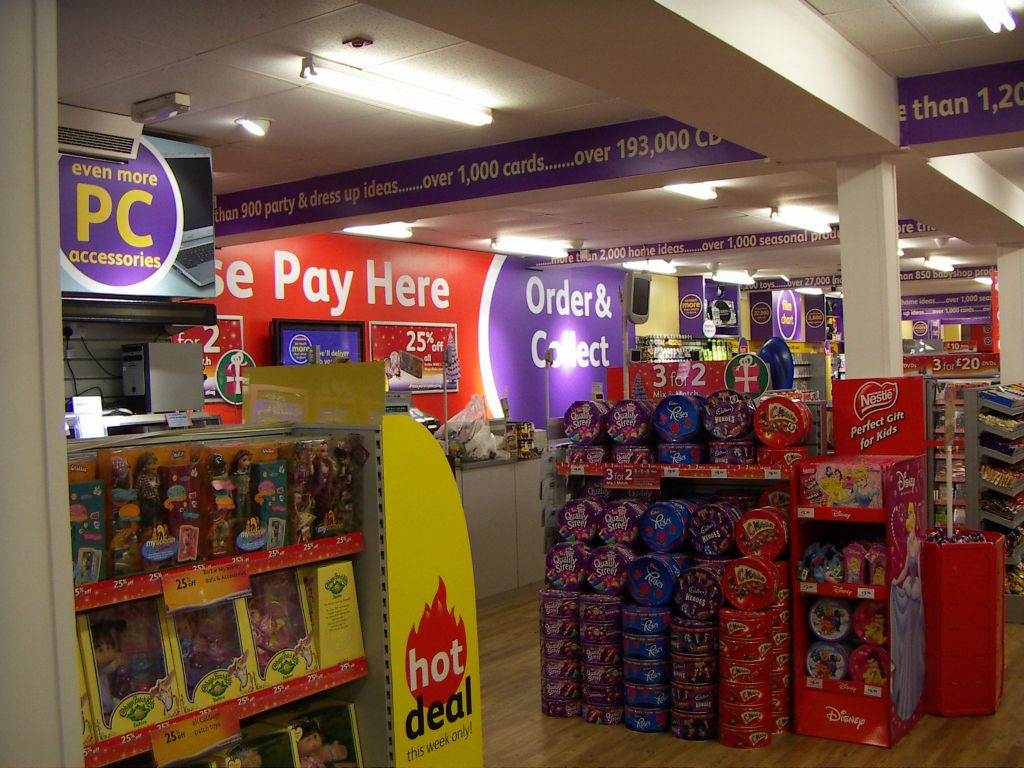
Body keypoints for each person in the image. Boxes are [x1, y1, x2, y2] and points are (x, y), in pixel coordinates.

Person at [891, 502, 924, 720]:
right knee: (904, 639)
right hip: (908, 587)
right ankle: (902, 682)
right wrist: (897, 580)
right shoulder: (908, 540)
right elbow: (905, 567)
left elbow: (917, 568)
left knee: (911, 636)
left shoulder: (918, 543)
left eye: (912, 515)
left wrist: (918, 587)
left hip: (914, 592)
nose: (909, 520)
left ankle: (910, 685)